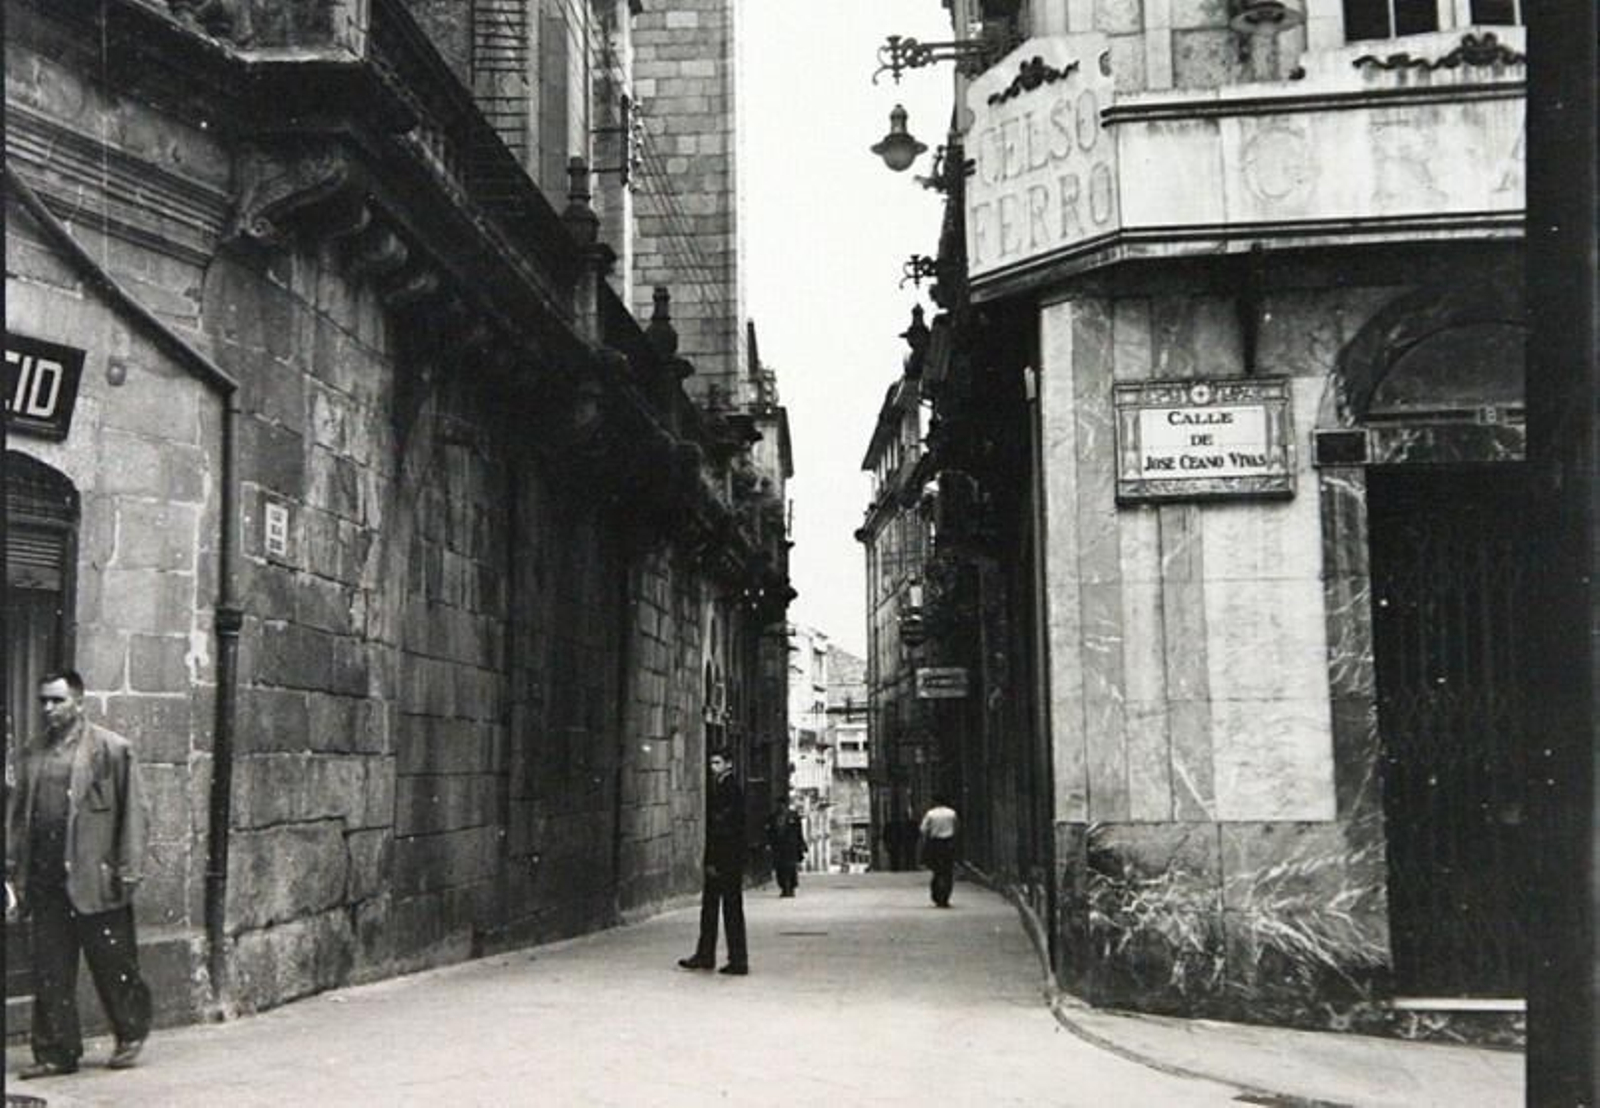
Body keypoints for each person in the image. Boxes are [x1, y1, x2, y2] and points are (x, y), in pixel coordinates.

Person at [7, 671, 152, 1078]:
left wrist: (129, 869)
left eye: (58, 701)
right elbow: (18, 821)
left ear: (80, 702)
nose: (49, 709)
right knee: (51, 968)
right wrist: (14, 871)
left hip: (97, 877)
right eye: (44, 702)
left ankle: (130, 1032)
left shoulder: (111, 750)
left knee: (113, 961)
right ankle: (56, 1052)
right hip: (46, 879)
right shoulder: (32, 754)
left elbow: (135, 814)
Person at [678, 751, 749, 975]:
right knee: (713, 908)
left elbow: (723, 830)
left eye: (717, 763)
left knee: (727, 909)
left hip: (725, 860)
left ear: (729, 764)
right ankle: (708, 954)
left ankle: (734, 959)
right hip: (726, 859)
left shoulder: (729, 789)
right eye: (711, 762)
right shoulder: (722, 787)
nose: (712, 767)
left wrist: (713, 860)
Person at [919, 796, 959, 908]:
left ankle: (936, 895)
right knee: (948, 871)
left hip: (935, 844)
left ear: (935, 802)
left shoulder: (930, 814)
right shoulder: (952, 813)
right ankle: (945, 897)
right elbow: (956, 828)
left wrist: (926, 842)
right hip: (948, 843)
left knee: (937, 871)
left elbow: (923, 830)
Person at [765, 803, 807, 897]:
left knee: (790, 867)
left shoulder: (793, 816)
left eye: (783, 805)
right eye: (779, 806)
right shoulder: (772, 817)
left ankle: (790, 888)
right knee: (780, 868)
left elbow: (799, 831)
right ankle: (784, 887)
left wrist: (801, 844)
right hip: (778, 847)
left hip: (790, 846)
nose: (781, 807)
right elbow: (769, 832)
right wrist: (769, 843)